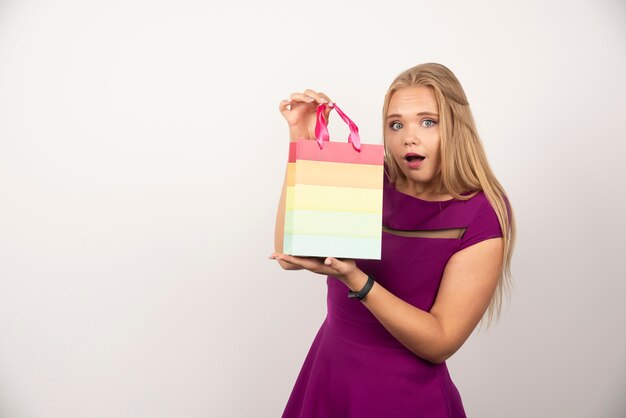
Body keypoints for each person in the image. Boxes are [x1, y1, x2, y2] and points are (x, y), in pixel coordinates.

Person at [269, 62, 516, 418]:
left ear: (456, 127)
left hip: (405, 396)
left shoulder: (483, 211)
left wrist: (355, 279)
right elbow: (290, 246)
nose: (408, 137)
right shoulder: (368, 179)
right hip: (330, 375)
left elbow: (441, 341)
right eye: (396, 124)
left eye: (428, 122)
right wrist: (301, 141)